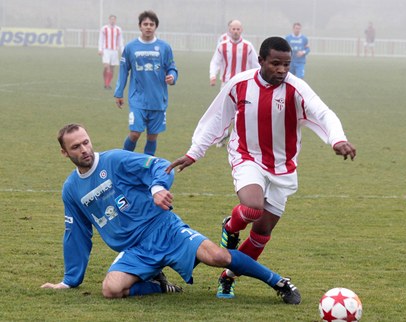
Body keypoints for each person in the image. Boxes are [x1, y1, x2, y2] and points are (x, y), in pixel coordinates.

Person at [166, 37, 356, 299]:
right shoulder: (240, 84)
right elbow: (216, 118)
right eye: (276, 63)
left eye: (287, 64)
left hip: (283, 167)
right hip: (247, 156)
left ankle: (228, 277)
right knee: (253, 207)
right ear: (261, 61)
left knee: (261, 232)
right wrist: (194, 152)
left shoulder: (296, 89)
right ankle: (231, 227)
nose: (282, 69)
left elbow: (323, 113)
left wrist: (337, 139)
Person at [41, 123, 301, 305]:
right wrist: (69, 281)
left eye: (86, 142)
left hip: (164, 228)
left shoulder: (114, 160)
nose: (84, 149)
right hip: (135, 249)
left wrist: (156, 188)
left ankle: (279, 283)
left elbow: (161, 166)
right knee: (111, 289)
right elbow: (76, 233)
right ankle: (159, 284)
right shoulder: (71, 189)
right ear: (65, 152)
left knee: (218, 256)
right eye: (76, 147)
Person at [114, 10, 177, 156]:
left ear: (156, 27)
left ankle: (147, 166)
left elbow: (172, 67)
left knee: (152, 136)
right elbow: (124, 71)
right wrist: (119, 93)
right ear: (140, 26)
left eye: (151, 24)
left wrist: (172, 77)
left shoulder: (164, 47)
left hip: (158, 99)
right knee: (135, 133)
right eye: (145, 24)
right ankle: (123, 160)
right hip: (138, 99)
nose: (148, 27)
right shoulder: (130, 47)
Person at [209, 19, 259, 147]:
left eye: (238, 29)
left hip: (243, 84)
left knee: (243, 109)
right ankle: (223, 134)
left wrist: (258, 79)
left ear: (241, 30)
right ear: (229, 30)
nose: (236, 31)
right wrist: (213, 75)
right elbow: (215, 61)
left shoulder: (248, 46)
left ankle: (241, 136)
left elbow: (255, 63)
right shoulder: (222, 46)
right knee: (223, 109)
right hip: (226, 83)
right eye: (233, 29)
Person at [98, 15, 124, 90]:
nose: (112, 21)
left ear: (115, 20)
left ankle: (107, 84)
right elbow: (101, 39)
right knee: (106, 67)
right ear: (109, 20)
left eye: (114, 19)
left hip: (114, 51)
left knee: (112, 68)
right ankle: (106, 83)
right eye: (111, 19)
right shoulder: (104, 28)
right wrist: (100, 49)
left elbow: (120, 41)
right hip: (106, 50)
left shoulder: (118, 29)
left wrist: (122, 51)